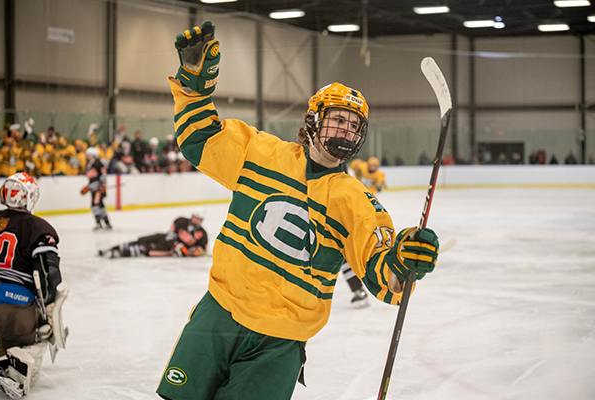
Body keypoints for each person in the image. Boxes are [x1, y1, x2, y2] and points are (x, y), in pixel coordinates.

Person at [157, 21, 439, 400]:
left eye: (354, 126)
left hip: (279, 343)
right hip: (217, 313)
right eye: (338, 119)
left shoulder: (355, 201)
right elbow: (200, 142)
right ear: (313, 119)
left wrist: (406, 261)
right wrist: (192, 87)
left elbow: (385, 280)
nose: (345, 131)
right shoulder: (260, 152)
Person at [0, 172, 68, 398]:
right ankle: (12, 368)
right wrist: (48, 310)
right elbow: (48, 274)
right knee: (42, 334)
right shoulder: (39, 228)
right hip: (13, 311)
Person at [98, 211, 208, 258]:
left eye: (199, 219)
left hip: (168, 249)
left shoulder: (202, 233)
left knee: (144, 249)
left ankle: (119, 254)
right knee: (139, 240)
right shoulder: (181, 220)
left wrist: (196, 251)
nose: (196, 220)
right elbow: (170, 235)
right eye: (195, 217)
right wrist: (176, 244)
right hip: (164, 238)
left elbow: (203, 249)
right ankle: (112, 249)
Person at [82, 147, 112, 230]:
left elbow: (103, 175)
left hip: (98, 190)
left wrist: (103, 185)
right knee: (101, 206)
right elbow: (92, 179)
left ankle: (99, 224)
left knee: (95, 205)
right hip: (94, 189)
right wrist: (88, 187)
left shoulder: (98, 163)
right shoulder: (90, 165)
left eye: (88, 155)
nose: (86, 156)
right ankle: (107, 223)